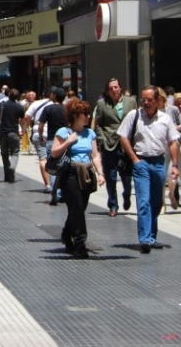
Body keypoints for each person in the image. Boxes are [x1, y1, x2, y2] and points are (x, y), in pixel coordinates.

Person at [118, 85, 181, 253]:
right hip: (141, 162)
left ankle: (152, 236)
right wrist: (134, 159)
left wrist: (175, 165)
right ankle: (145, 239)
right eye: (143, 99)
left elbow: (173, 142)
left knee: (157, 202)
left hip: (159, 163)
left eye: (149, 100)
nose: (146, 103)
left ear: (158, 101)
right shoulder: (134, 116)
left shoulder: (165, 119)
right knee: (143, 201)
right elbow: (122, 136)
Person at [49, 101, 105, 258]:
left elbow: (95, 155)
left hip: (86, 173)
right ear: (75, 116)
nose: (87, 117)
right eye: (84, 114)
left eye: (88, 114)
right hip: (70, 174)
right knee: (77, 208)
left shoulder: (90, 133)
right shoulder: (64, 132)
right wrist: (68, 142)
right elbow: (54, 152)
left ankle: (67, 233)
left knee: (78, 209)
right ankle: (80, 243)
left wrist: (100, 173)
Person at [91, 78, 136, 217]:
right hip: (109, 144)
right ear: (107, 90)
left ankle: (127, 194)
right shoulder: (102, 104)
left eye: (116, 87)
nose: (114, 90)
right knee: (110, 176)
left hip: (127, 144)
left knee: (127, 176)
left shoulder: (131, 102)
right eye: (111, 88)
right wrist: (102, 139)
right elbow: (97, 124)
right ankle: (113, 205)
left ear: (120, 88)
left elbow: (136, 121)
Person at [23, 91, 53, 192]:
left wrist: (24, 128)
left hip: (38, 133)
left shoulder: (35, 104)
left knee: (43, 158)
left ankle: (48, 185)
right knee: (54, 159)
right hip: (54, 134)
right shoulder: (55, 105)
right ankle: (56, 184)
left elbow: (27, 116)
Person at [0, 88, 24, 183]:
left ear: (8, 95)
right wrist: (23, 131)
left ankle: (7, 176)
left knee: (4, 154)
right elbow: (22, 121)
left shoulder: (2, 105)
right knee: (15, 152)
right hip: (14, 133)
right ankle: (12, 168)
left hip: (3, 133)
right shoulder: (19, 107)